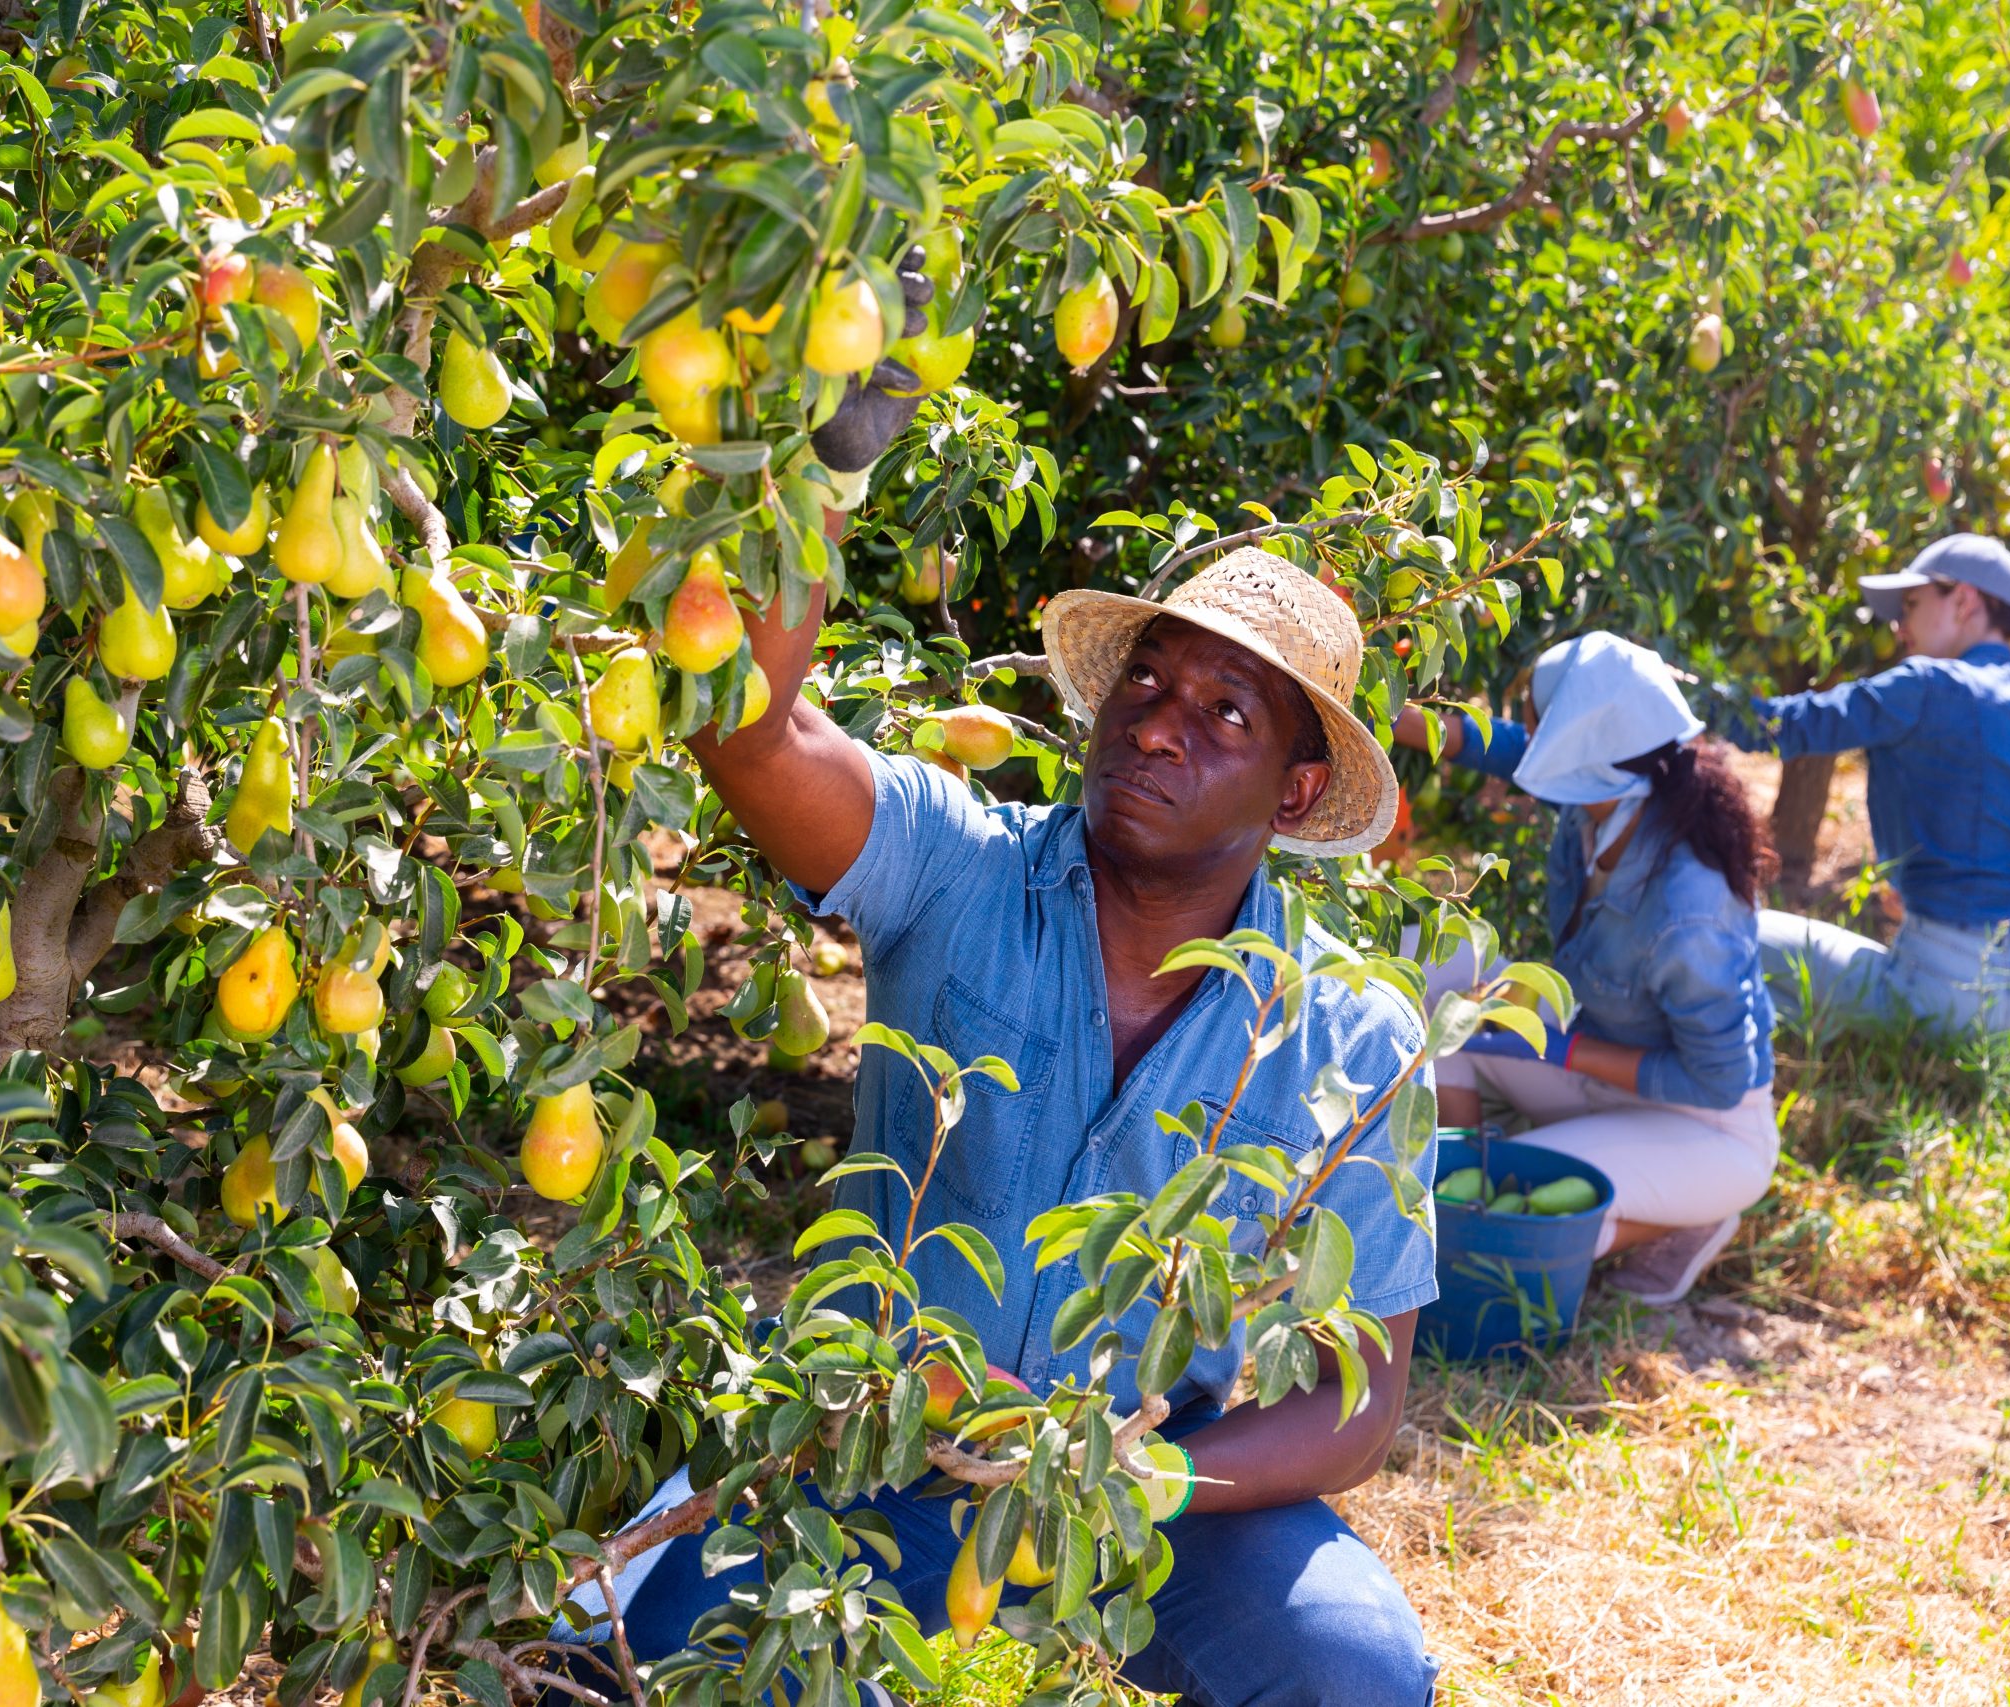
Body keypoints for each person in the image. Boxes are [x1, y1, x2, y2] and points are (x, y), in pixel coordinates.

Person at [586, 547, 1444, 1706]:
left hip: (1142, 1486)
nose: (1154, 728)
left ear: (1292, 794)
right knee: (640, 1676)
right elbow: (748, 734)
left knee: (1351, 1673)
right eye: (1145, 683)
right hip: (863, 1445)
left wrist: (1136, 1482)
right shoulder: (956, 869)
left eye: (1223, 712)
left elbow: (1357, 1402)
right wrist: (820, 479)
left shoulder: (1346, 1036)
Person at [1394, 633, 1779, 1307]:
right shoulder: (1608, 789)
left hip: (1703, 1124)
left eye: (1541, 719)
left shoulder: (1691, 911)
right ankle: (1462, 1170)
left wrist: (1564, 1047)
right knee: (1436, 981)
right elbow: (1508, 748)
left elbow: (1717, 1082)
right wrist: (1399, 718)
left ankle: (1683, 1211)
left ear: (1576, 740)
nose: (1530, 730)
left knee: (1516, 1225)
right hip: (1601, 1055)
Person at [1730, 534, 2010, 1050]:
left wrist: (1682, 696)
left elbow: (1790, 725)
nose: (1899, 629)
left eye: (1911, 605)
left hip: (1951, 1001)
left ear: (1964, 601)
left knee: (1738, 938)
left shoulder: (1925, 684)